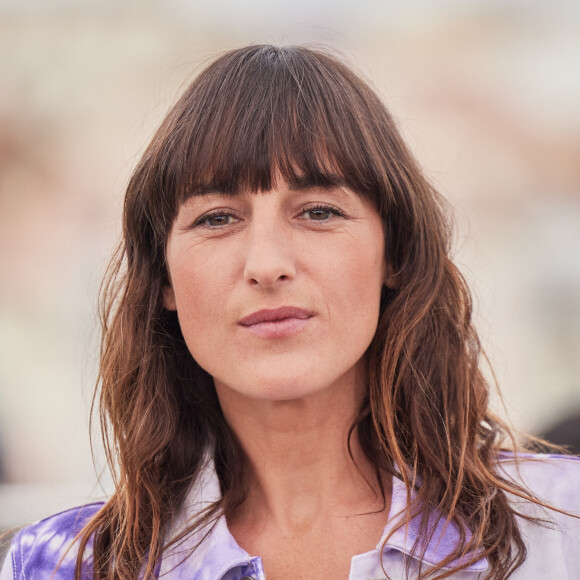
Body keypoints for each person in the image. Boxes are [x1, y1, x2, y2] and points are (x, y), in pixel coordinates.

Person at [1, 44, 579, 580]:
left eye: (319, 212)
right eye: (217, 218)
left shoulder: (561, 527)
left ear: (395, 255)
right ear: (163, 281)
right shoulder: (64, 564)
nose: (268, 264)